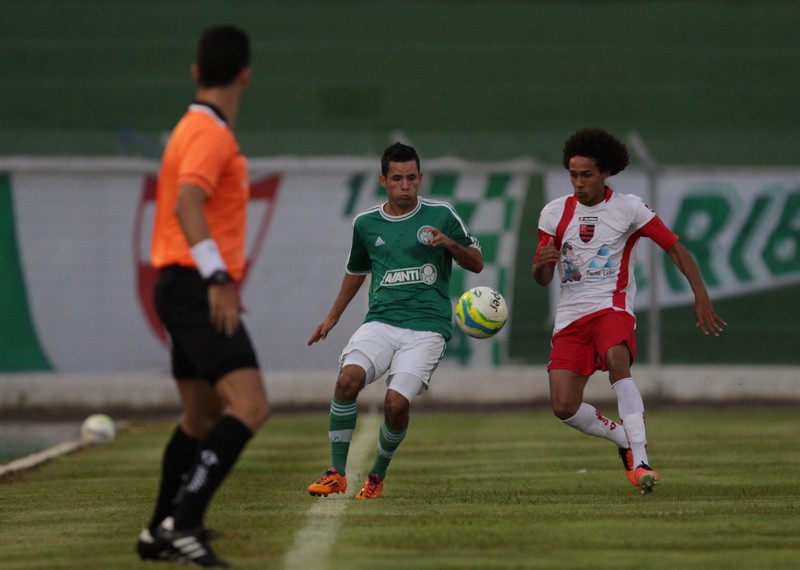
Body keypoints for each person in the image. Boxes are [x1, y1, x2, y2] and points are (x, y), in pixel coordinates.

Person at [135, 25, 270, 567]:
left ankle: (155, 533)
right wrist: (217, 278)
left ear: (196, 72)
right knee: (251, 406)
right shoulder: (212, 135)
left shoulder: (190, 127)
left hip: (178, 283)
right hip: (194, 285)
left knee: (201, 416)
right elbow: (188, 204)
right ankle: (184, 522)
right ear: (245, 74)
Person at [532, 127, 726, 494]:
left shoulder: (629, 207)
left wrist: (700, 293)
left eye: (586, 174)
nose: (578, 182)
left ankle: (640, 461)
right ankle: (623, 438)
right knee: (563, 406)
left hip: (612, 307)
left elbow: (675, 248)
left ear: (606, 172)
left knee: (618, 361)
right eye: (572, 174)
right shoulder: (554, 213)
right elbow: (541, 277)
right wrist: (542, 263)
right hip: (571, 316)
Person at [306, 142, 484, 499]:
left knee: (395, 405)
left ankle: (377, 474)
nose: (406, 185)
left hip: (427, 328)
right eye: (398, 178)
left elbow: (476, 262)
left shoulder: (443, 214)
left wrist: (449, 244)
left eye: (412, 178)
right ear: (383, 180)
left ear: (421, 178)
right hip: (381, 322)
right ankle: (336, 472)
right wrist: (333, 316)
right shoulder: (367, 223)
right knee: (347, 381)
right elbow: (356, 271)